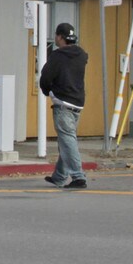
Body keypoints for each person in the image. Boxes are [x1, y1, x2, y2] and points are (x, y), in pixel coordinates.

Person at [39, 21, 88, 189]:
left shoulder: (57, 56)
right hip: (78, 103)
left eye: (56, 36)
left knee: (67, 140)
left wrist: (48, 91)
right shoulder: (82, 55)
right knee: (66, 140)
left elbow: (45, 78)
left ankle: (78, 177)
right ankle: (59, 177)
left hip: (63, 104)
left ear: (60, 37)